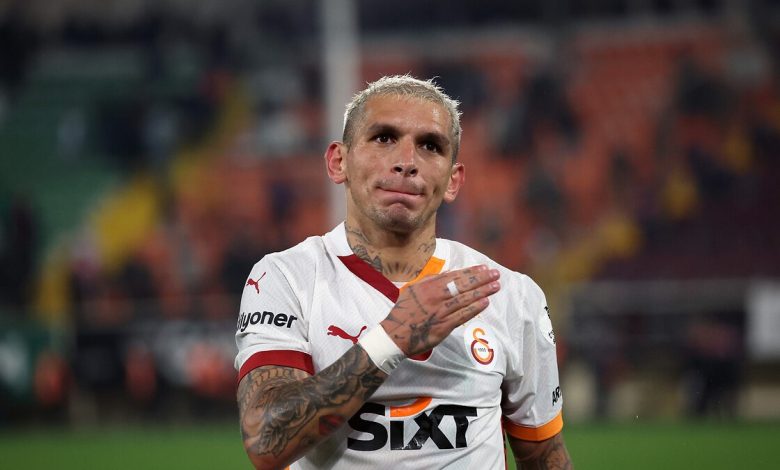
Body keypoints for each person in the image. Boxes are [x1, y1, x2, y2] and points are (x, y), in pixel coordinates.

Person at [235, 75, 572, 469]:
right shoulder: (284, 278)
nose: (407, 162)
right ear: (338, 162)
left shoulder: (511, 295)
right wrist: (391, 340)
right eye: (383, 138)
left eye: (430, 146)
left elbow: (543, 455)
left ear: (453, 181)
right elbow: (265, 440)